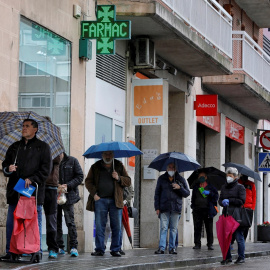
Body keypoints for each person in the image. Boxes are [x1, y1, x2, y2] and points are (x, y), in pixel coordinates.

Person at [0, 119, 52, 260]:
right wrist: (8, 169)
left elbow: (46, 170)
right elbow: (5, 165)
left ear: (35, 129)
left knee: (33, 223)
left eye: (27, 126)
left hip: (32, 193)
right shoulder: (15, 146)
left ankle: (36, 251)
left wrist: (33, 179)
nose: (24, 128)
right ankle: (11, 252)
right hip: (15, 191)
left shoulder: (43, 147)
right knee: (12, 222)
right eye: (23, 126)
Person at [85, 151, 131, 257]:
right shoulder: (95, 166)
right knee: (100, 226)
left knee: (116, 226)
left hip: (116, 200)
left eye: (110, 154)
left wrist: (118, 177)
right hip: (100, 200)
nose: (108, 156)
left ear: (113, 155)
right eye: (105, 154)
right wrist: (94, 194)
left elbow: (128, 181)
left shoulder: (119, 165)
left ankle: (115, 249)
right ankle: (99, 249)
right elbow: (88, 181)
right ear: (102, 155)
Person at [154, 163, 190, 255]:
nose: (171, 169)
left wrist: (179, 188)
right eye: (169, 167)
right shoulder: (161, 179)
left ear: (176, 169)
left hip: (176, 207)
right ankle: (161, 248)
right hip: (164, 207)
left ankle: (172, 248)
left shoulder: (180, 179)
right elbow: (157, 194)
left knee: (173, 229)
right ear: (166, 169)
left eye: (173, 167)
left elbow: (187, 193)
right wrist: (157, 207)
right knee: (163, 227)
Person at [57, 152, 83, 258]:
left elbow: (80, 176)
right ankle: (59, 247)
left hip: (69, 196)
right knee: (56, 222)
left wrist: (68, 185)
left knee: (70, 222)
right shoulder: (52, 162)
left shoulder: (72, 160)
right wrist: (57, 185)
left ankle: (73, 247)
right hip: (55, 195)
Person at [218, 167, 246, 265]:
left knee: (239, 237)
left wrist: (230, 201)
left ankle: (241, 257)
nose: (228, 178)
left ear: (235, 177)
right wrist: (222, 203)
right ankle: (227, 257)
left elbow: (242, 201)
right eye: (227, 176)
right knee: (226, 238)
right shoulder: (223, 187)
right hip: (226, 214)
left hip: (236, 215)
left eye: (230, 176)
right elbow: (220, 199)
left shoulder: (240, 187)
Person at [191, 170, 218, 250]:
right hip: (197, 210)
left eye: (203, 176)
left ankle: (210, 244)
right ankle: (197, 244)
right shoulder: (196, 187)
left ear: (206, 177)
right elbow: (193, 198)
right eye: (200, 176)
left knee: (209, 228)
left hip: (208, 210)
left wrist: (209, 193)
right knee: (197, 227)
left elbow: (216, 197)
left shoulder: (211, 187)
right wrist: (193, 207)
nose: (201, 177)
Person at [44, 154, 62, 259]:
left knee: (51, 219)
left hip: (51, 186)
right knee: (34, 218)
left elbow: (58, 158)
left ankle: (52, 248)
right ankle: (33, 247)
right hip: (38, 184)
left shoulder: (54, 146)